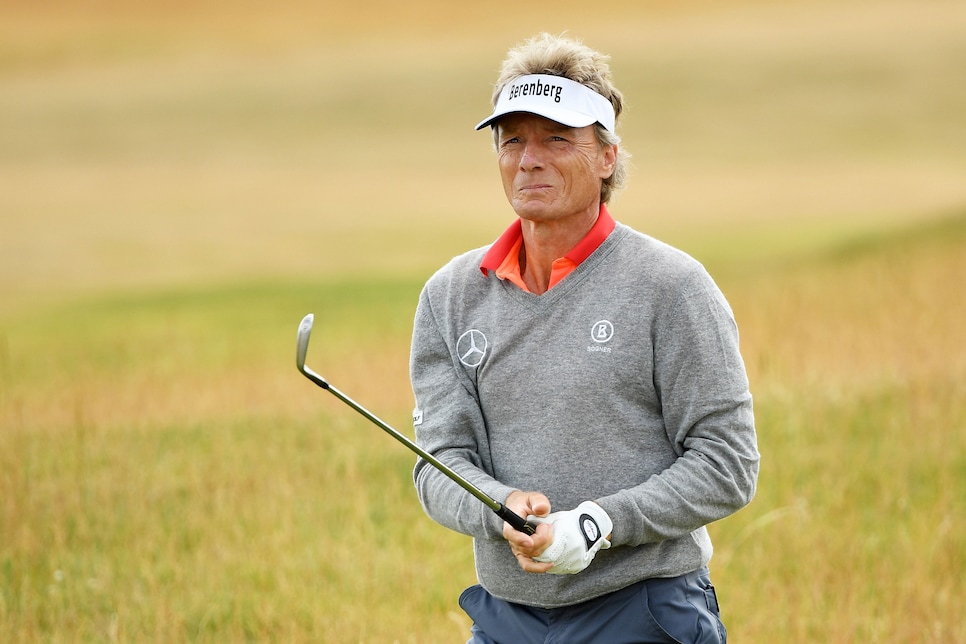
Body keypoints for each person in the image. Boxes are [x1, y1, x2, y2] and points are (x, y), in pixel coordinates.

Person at [409, 33, 759, 644]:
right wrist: (502, 507)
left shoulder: (671, 287)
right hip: (504, 616)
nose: (528, 159)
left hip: (644, 610)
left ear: (606, 157)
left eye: (556, 139)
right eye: (511, 139)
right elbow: (440, 464)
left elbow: (727, 463)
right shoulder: (451, 294)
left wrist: (597, 524)